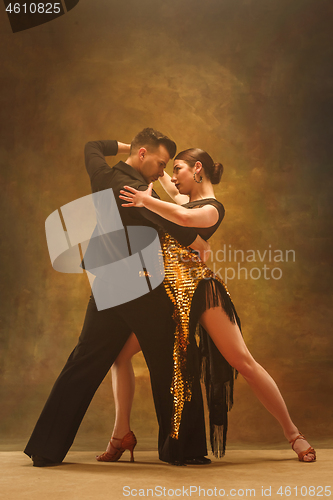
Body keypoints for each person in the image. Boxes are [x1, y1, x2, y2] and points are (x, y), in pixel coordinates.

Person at [98, 147, 316, 463]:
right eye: (170, 171)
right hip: (169, 297)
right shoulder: (181, 198)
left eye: (179, 169)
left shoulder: (212, 208)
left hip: (202, 291)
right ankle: (121, 435)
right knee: (119, 356)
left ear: (197, 168)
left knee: (244, 362)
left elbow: (184, 217)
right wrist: (143, 157)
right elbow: (164, 183)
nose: (172, 177)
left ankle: (294, 435)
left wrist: (146, 199)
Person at [24, 129, 212, 467]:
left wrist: (128, 145)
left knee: (83, 362)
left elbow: (92, 145)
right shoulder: (136, 189)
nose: (161, 171)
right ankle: (186, 449)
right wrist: (199, 243)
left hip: (107, 285)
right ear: (143, 155)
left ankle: (45, 449)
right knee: (175, 356)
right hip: (139, 285)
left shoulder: (103, 175)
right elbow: (171, 223)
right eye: (159, 162)